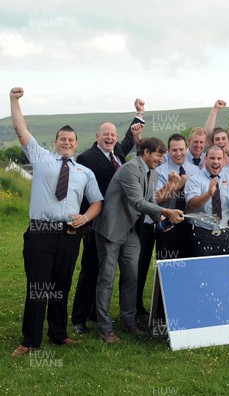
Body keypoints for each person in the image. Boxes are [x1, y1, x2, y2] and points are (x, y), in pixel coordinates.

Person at [10, 87, 103, 357]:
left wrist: (85, 217)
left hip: (69, 234)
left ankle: (58, 334)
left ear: (76, 143)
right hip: (40, 233)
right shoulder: (41, 158)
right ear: (55, 141)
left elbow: (98, 202)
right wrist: (14, 100)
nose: (66, 142)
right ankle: (30, 340)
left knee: (61, 285)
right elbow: (20, 130)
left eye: (71, 139)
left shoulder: (85, 172)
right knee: (39, 287)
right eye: (62, 138)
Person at [93, 137, 184, 343]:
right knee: (106, 280)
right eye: (158, 155)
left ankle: (129, 322)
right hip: (111, 230)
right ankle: (105, 328)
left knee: (132, 277)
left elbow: (150, 201)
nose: (161, 160)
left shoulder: (152, 172)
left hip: (131, 232)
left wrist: (161, 219)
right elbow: (137, 201)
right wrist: (167, 211)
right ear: (145, 153)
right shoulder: (129, 169)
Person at [71, 100, 145, 335]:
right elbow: (83, 193)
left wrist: (139, 114)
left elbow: (128, 136)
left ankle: (98, 313)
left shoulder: (120, 153)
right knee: (92, 268)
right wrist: (86, 223)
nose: (110, 138)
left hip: (122, 223)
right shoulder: (86, 159)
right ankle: (80, 318)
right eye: (106, 134)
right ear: (97, 136)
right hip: (96, 225)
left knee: (112, 270)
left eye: (112, 134)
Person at [185, 145, 229, 256]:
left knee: (226, 269)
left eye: (219, 158)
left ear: (224, 160)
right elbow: (192, 203)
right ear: (205, 159)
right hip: (201, 233)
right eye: (212, 158)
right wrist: (208, 194)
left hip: (225, 232)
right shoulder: (195, 179)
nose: (215, 161)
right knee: (204, 270)